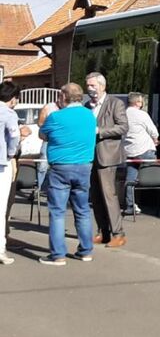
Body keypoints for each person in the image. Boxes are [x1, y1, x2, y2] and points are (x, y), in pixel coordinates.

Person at [38, 83, 96, 265]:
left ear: (64, 97)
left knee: (57, 212)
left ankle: (58, 255)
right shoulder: (90, 116)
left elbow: (42, 135)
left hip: (61, 167)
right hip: (84, 166)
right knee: (83, 210)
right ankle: (85, 251)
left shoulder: (56, 117)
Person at [85, 72, 128, 247]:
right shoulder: (87, 106)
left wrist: (100, 131)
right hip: (90, 156)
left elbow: (123, 127)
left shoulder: (115, 103)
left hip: (108, 156)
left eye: (93, 85)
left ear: (102, 86)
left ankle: (118, 233)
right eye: (88, 86)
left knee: (109, 195)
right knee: (95, 196)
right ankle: (103, 232)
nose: (90, 89)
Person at [124, 92, 159, 216]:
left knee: (130, 179)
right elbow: (153, 131)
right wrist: (155, 139)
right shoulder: (142, 114)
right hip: (145, 150)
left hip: (130, 151)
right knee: (158, 173)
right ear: (138, 102)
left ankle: (130, 205)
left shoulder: (123, 114)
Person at [0, 82, 21, 265]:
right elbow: (14, 135)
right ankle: (0, 249)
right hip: (1, 163)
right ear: (13, 98)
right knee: (0, 209)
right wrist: (11, 153)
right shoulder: (8, 113)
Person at [36, 98, 62, 189]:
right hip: (49, 140)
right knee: (43, 165)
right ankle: (39, 188)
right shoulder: (49, 107)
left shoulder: (69, 108)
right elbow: (40, 123)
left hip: (63, 142)